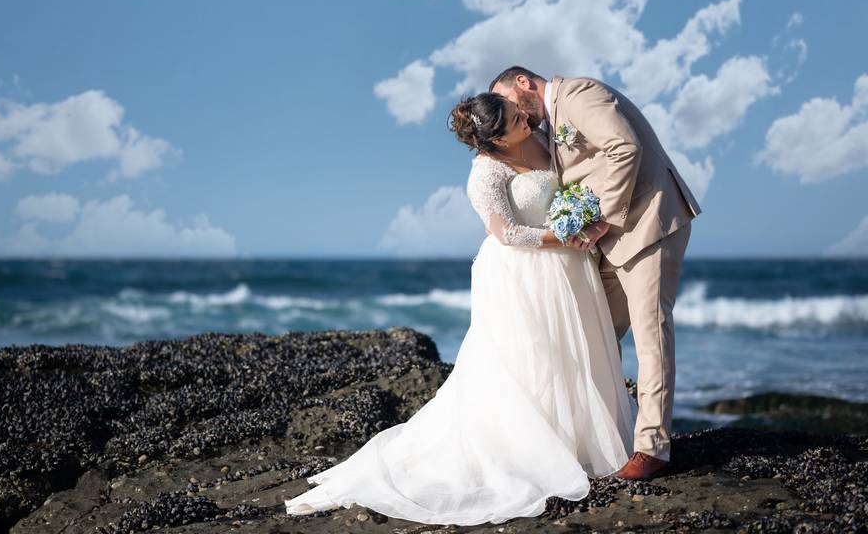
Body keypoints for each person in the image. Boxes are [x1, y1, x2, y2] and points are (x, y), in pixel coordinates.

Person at [284, 92, 635, 525]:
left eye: (517, 111)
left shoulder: (542, 136)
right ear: (497, 142)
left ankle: (579, 441)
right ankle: (534, 451)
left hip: (568, 270)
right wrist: (564, 234)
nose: (524, 117)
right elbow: (507, 234)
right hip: (523, 274)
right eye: (513, 119)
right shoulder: (484, 175)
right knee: (531, 360)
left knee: (572, 355)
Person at [488, 66, 701, 479]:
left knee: (650, 334)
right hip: (611, 240)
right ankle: (605, 437)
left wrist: (599, 218)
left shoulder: (579, 94)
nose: (516, 116)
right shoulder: (549, 123)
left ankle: (652, 450)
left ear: (523, 84)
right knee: (593, 334)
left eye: (510, 104)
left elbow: (625, 147)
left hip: (647, 223)